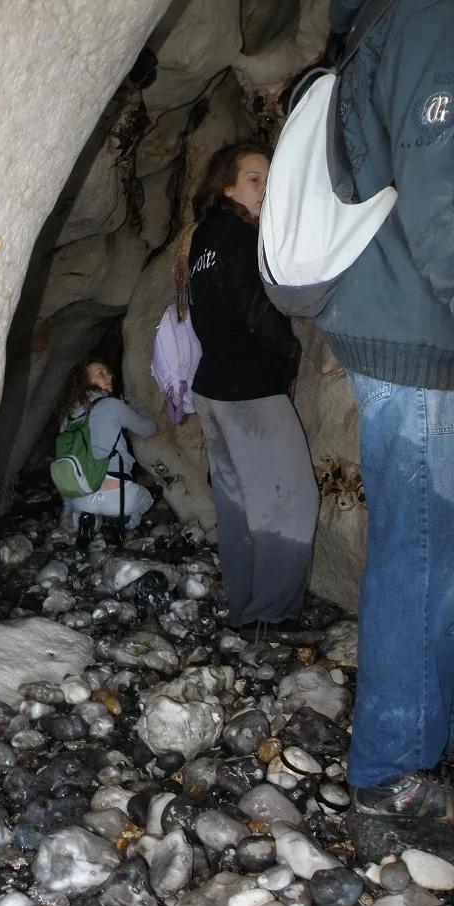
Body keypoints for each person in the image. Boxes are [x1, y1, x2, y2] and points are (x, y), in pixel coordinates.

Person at [314, 0, 454, 819]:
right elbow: (442, 188)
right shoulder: (432, 15)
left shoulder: (371, 24)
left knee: (426, 550)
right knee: (424, 554)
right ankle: (392, 770)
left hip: (389, 325)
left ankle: (415, 747)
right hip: (418, 337)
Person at [175, 142, 319, 633]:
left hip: (213, 387)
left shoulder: (202, 241)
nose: (266, 188)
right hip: (250, 387)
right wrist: (289, 355)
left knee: (237, 504)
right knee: (290, 500)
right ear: (227, 186)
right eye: (256, 178)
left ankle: (245, 609)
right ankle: (272, 614)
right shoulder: (241, 237)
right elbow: (257, 312)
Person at [55, 361, 157, 534]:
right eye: (100, 372)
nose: (109, 376)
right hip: (120, 497)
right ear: (83, 380)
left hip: (81, 499)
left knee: (86, 508)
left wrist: (68, 510)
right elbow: (148, 430)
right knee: (146, 498)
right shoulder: (112, 405)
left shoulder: (68, 418)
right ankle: (126, 522)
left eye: (109, 373)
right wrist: (137, 406)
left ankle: (88, 521)